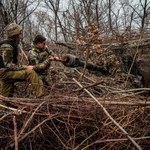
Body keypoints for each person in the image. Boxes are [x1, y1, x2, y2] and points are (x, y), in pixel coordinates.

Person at [0, 23, 44, 99]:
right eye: (19, 34)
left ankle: (3, 109)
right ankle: (40, 98)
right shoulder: (7, 47)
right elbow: (8, 64)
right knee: (31, 73)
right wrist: (25, 67)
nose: (21, 36)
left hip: (5, 72)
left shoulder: (11, 44)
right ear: (14, 34)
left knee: (5, 97)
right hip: (4, 72)